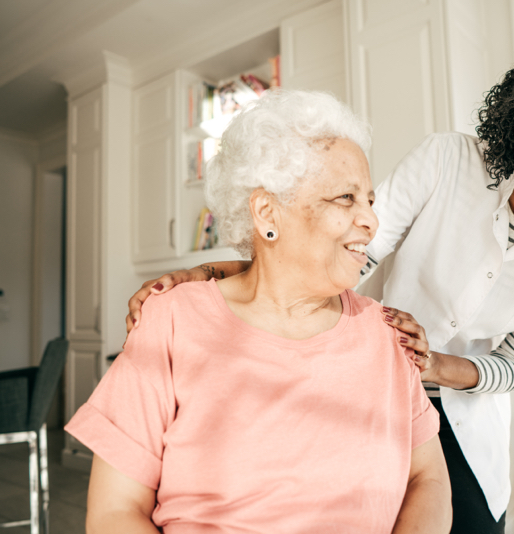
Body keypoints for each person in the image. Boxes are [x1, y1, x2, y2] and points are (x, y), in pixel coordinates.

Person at [125, 27, 514, 533]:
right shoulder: (449, 161)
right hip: (368, 393)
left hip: (467, 424)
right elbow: (351, 252)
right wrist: (227, 275)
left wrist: (440, 366)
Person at [67, 90, 452, 534]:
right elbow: (116, 511)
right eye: (346, 198)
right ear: (268, 212)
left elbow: (429, 479)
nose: (371, 220)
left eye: (369, 200)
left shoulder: (388, 334)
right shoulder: (170, 320)